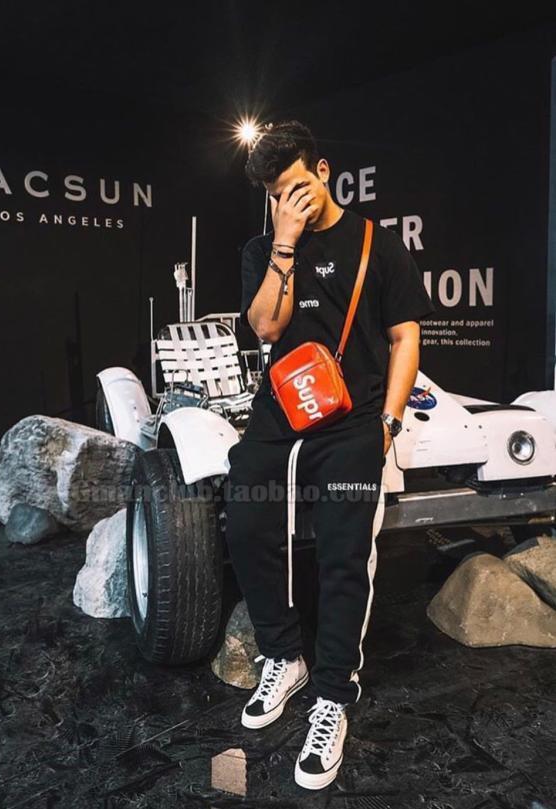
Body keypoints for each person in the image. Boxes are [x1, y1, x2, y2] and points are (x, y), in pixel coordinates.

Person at [224, 120, 436, 791]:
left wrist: (388, 423)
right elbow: (266, 326)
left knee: (345, 545)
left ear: (323, 171)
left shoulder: (378, 245)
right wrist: (284, 244)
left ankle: (334, 695)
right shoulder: (263, 247)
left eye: (295, 186)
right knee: (246, 519)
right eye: (274, 195)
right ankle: (284, 656)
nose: (286, 202)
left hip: (353, 418)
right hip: (279, 411)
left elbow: (405, 337)